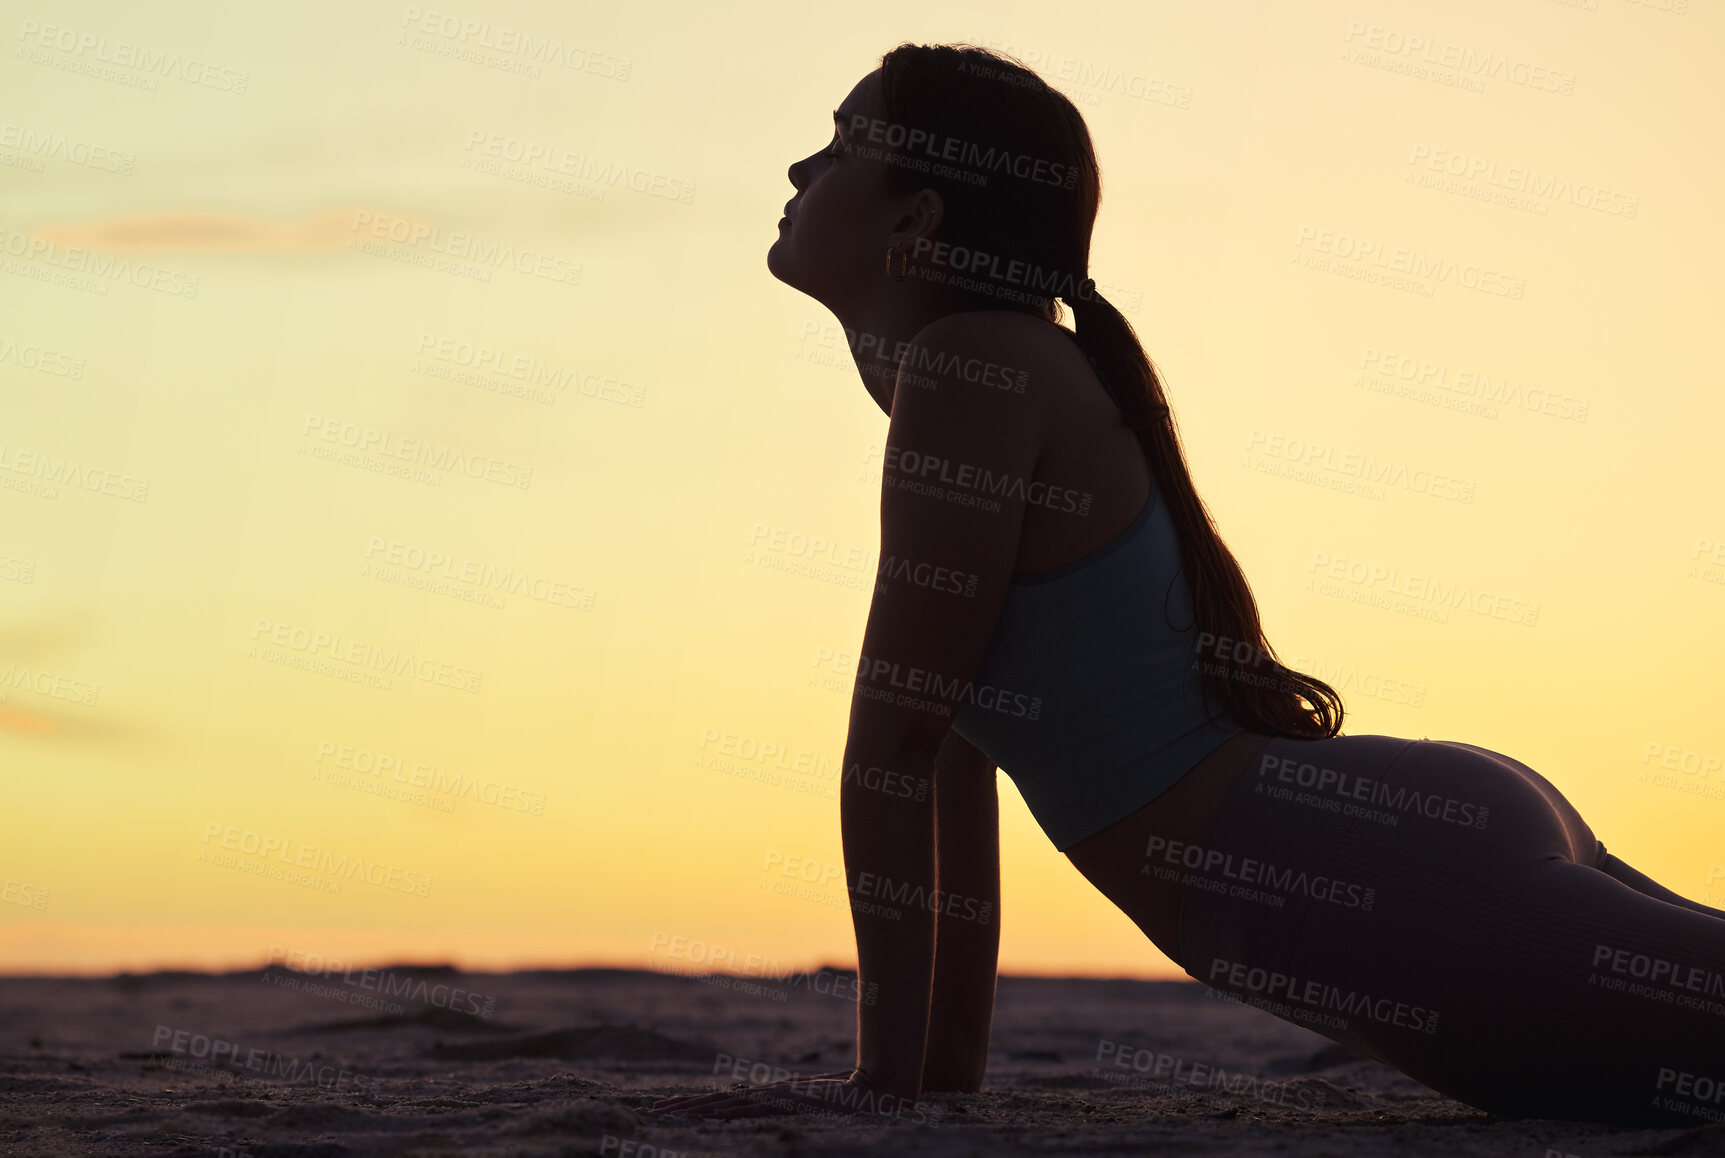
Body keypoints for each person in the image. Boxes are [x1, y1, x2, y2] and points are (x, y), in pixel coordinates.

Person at [653, 42, 1725, 1128]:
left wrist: (879, 1085)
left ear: (915, 218)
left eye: (843, 145)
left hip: (1395, 894)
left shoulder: (972, 371)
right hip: (1407, 858)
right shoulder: (1005, 372)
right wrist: (930, 1076)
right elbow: (948, 777)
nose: (799, 169)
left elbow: (889, 754)